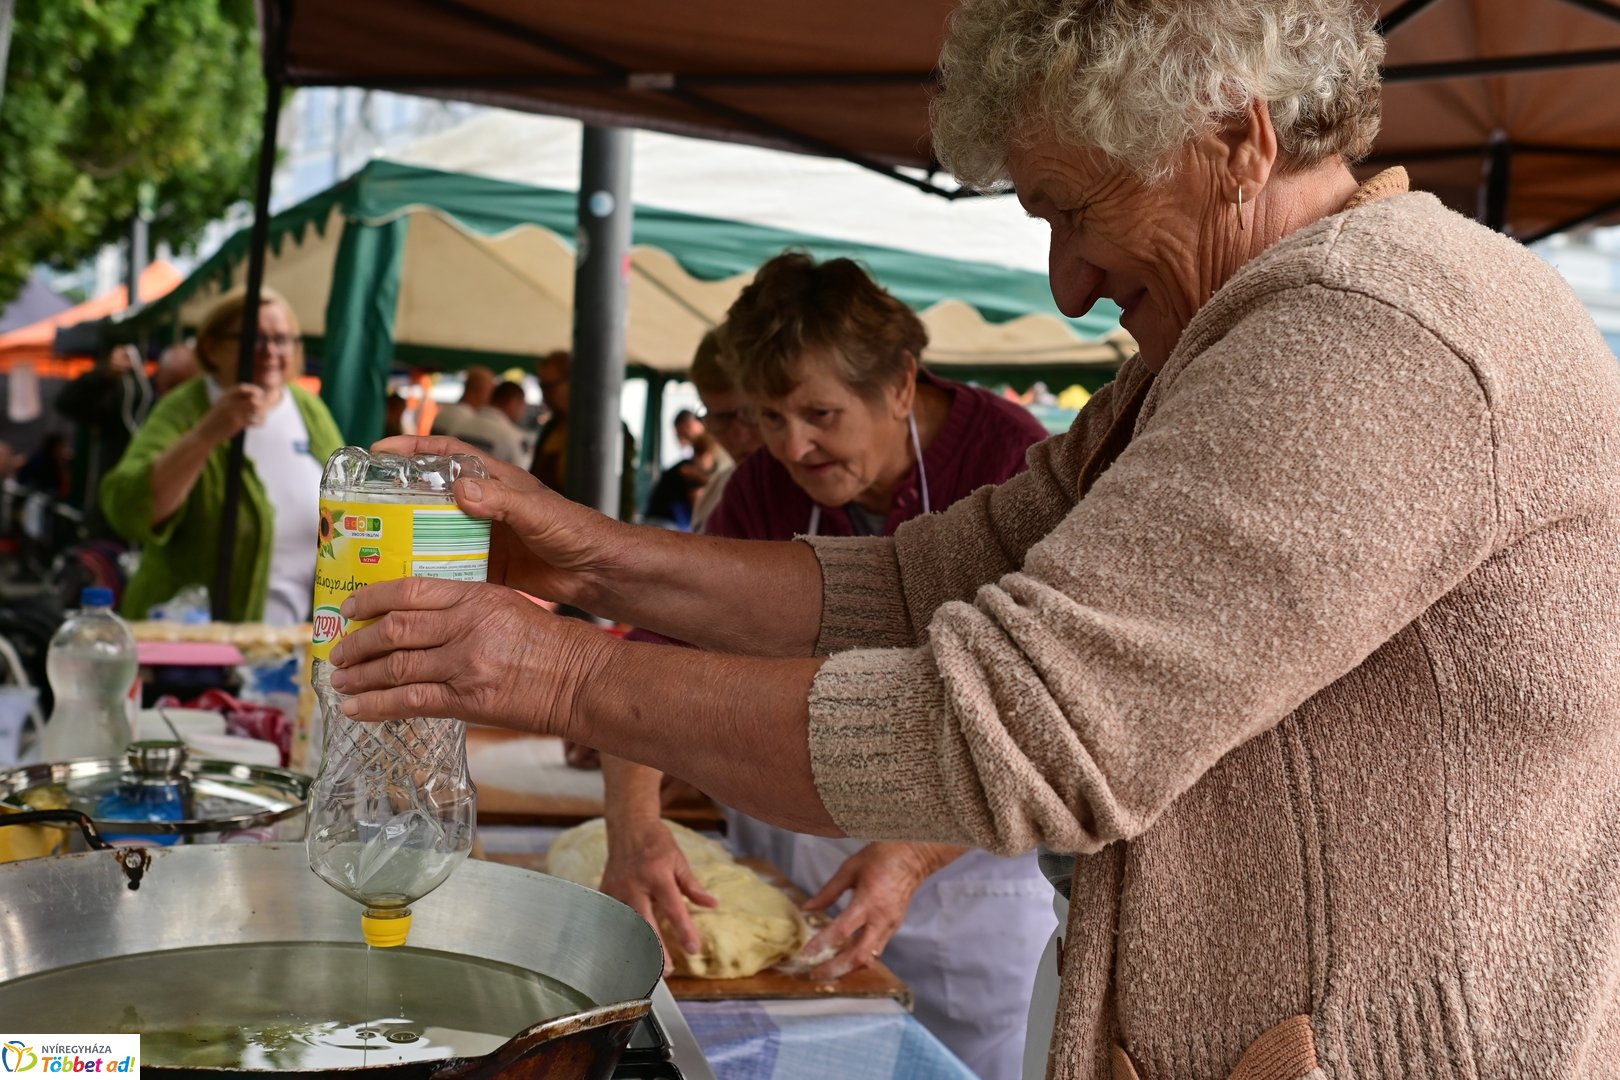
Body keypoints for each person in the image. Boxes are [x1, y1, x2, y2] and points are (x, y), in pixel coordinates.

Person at [327, 1, 1620, 1076]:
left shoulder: (1371, 330)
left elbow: (1010, 732)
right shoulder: (1235, 343)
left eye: (1073, 209)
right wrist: (591, 557)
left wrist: (560, 675)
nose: (1068, 282)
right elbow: (927, 579)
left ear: (1238, 135)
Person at [611, 252, 1055, 1080]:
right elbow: (659, 645)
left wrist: (911, 853)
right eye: (768, 417)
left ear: (899, 385)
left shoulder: (1013, 462)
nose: (793, 446)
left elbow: (1041, 702)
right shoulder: (762, 487)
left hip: (971, 869)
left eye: (819, 414)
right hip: (808, 853)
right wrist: (634, 826)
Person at [101, 287, 343, 624]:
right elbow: (128, 508)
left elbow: (346, 499)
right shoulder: (186, 407)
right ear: (212, 347)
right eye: (253, 338)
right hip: (188, 638)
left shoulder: (308, 409)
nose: (270, 351)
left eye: (282, 339)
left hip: (290, 640)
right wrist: (207, 434)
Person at [529, 350, 638, 521]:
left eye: (550, 387)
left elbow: (624, 490)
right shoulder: (551, 427)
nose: (545, 395)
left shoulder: (608, 428)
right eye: (541, 387)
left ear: (572, 382)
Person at [685, 327, 762, 532]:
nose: (738, 436)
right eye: (720, 418)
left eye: (750, 413)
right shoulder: (714, 495)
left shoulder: (819, 495)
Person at [641, 432, 716, 530]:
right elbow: (696, 500)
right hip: (665, 523)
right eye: (713, 458)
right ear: (706, 454)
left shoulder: (686, 467)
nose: (712, 464)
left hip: (661, 522)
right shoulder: (689, 469)